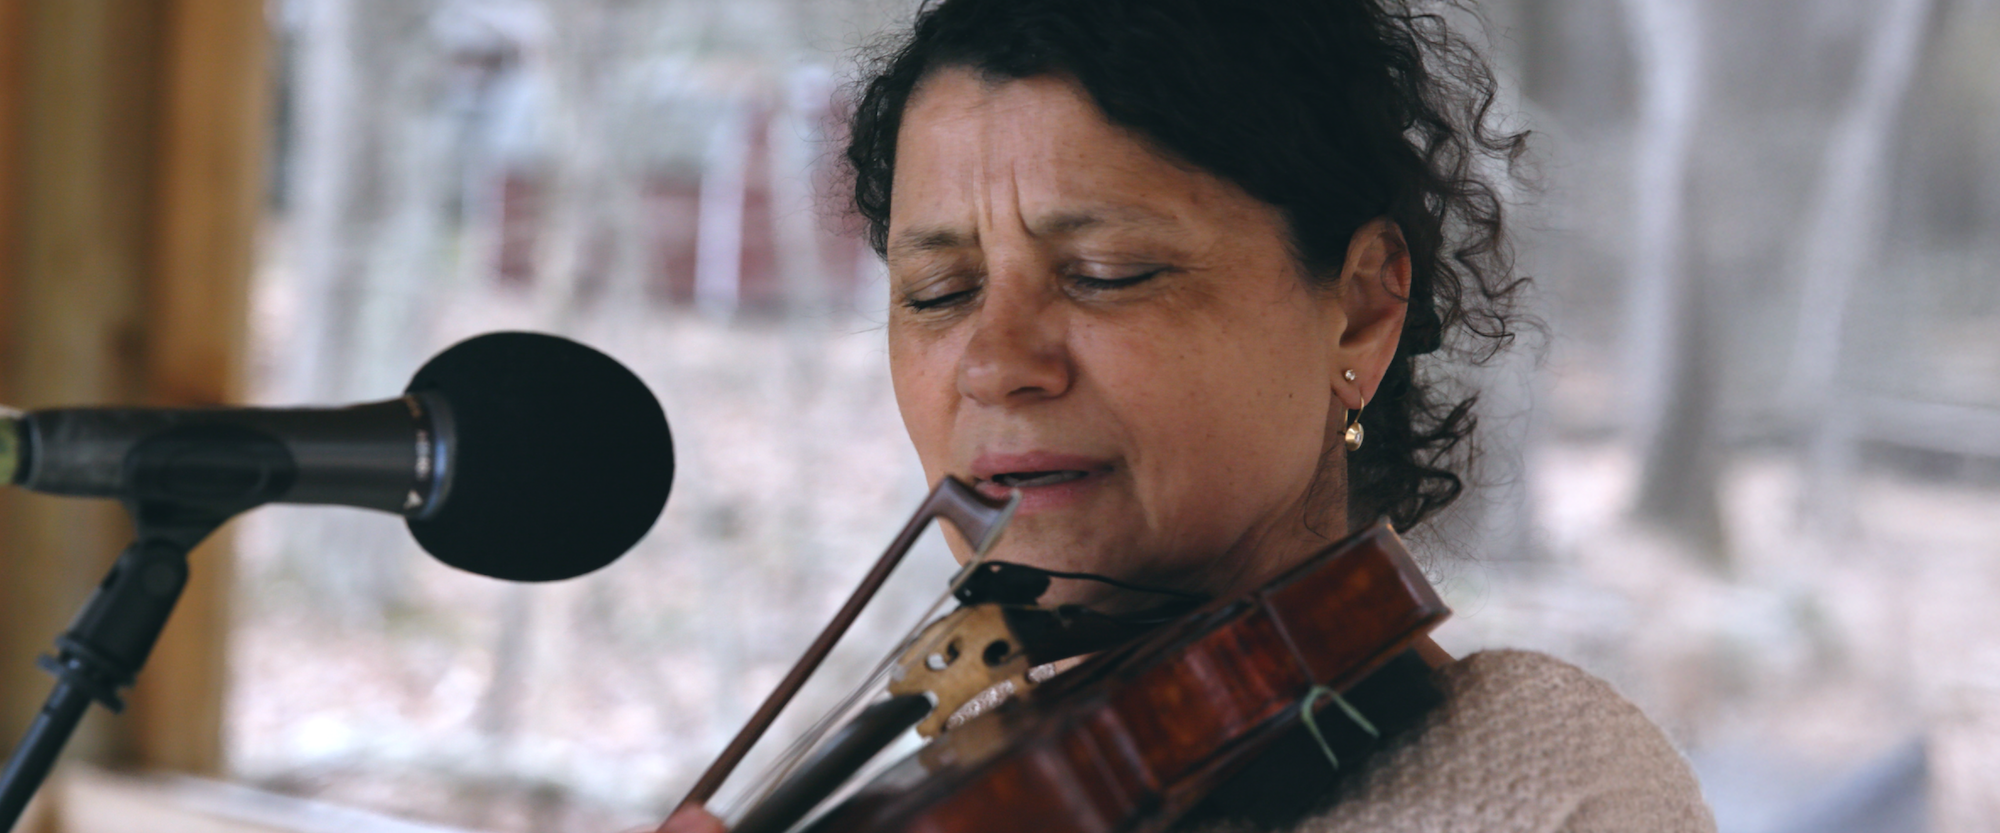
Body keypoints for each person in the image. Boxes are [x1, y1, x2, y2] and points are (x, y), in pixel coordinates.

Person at [661, 0, 1716, 830]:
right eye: (937, 292)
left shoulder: (1544, 795)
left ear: (1356, 310)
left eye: (1106, 272)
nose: (994, 363)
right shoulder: (999, 769)